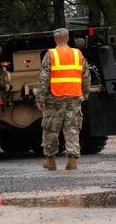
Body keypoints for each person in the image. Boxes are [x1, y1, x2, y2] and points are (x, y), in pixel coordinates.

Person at [35, 28, 90, 170]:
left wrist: (40, 98)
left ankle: (51, 159)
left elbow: (44, 78)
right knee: (72, 128)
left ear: (55, 39)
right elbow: (86, 76)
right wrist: (84, 94)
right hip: (75, 96)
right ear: (67, 38)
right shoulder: (78, 54)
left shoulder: (51, 54)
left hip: (55, 97)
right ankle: (72, 160)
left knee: (51, 128)